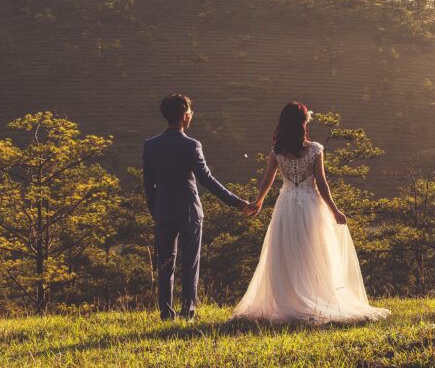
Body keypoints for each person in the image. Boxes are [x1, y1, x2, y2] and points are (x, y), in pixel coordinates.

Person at [232, 101, 390, 324]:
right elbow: (322, 184)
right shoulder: (315, 150)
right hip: (310, 205)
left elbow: (267, 179)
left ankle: (290, 298)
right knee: (314, 251)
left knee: (288, 252)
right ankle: (314, 296)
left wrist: (258, 201)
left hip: (285, 205)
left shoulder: (277, 151)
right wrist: (334, 210)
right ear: (303, 123)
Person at [143, 93, 250, 320]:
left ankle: (166, 314)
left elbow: (148, 185)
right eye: (190, 112)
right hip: (189, 212)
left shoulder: (150, 146)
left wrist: (156, 211)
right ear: (183, 116)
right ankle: (187, 313)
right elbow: (207, 180)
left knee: (165, 265)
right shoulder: (191, 145)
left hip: (163, 212)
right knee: (190, 264)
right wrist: (237, 202)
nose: (191, 115)